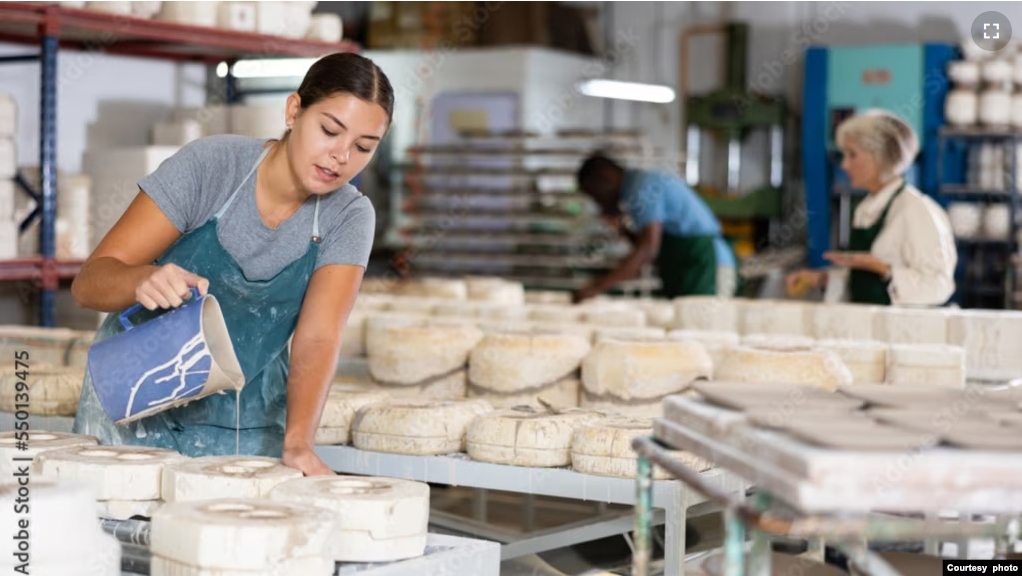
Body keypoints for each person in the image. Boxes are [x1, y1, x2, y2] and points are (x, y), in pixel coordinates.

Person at [70, 53, 392, 476]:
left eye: (363, 147)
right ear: (294, 110)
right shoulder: (211, 168)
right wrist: (140, 279)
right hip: (131, 407)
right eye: (330, 130)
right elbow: (88, 283)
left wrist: (298, 442)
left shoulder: (349, 216)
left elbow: (318, 337)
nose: (340, 156)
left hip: (243, 420)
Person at [786, 110, 956, 306]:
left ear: (880, 157)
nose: (844, 165)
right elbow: (866, 282)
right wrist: (823, 278)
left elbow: (938, 285)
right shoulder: (865, 208)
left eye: (852, 155)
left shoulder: (917, 210)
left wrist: (882, 268)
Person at [572, 154, 737, 302]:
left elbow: (648, 249)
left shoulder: (642, 187)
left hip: (707, 266)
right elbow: (647, 246)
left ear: (606, 178)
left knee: (701, 329)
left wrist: (597, 287)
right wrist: (621, 227)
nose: (598, 202)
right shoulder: (634, 191)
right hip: (690, 266)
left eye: (595, 195)